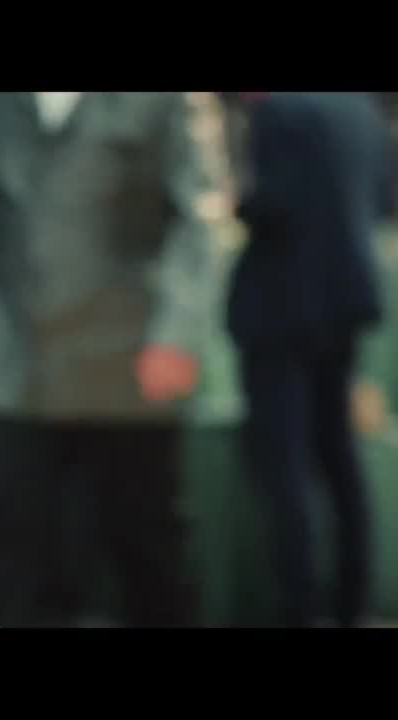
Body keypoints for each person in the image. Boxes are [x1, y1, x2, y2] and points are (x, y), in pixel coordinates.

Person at [0, 92, 229, 627]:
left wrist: (177, 334)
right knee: (4, 549)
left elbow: (199, 218)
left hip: (126, 367)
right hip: (14, 368)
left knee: (146, 548)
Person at [228, 92, 394, 628]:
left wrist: (237, 204)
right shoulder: (362, 111)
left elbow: (271, 202)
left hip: (281, 308)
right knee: (340, 459)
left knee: (285, 468)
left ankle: (299, 608)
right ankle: (352, 605)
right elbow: (383, 197)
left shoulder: (278, 112)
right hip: (345, 302)